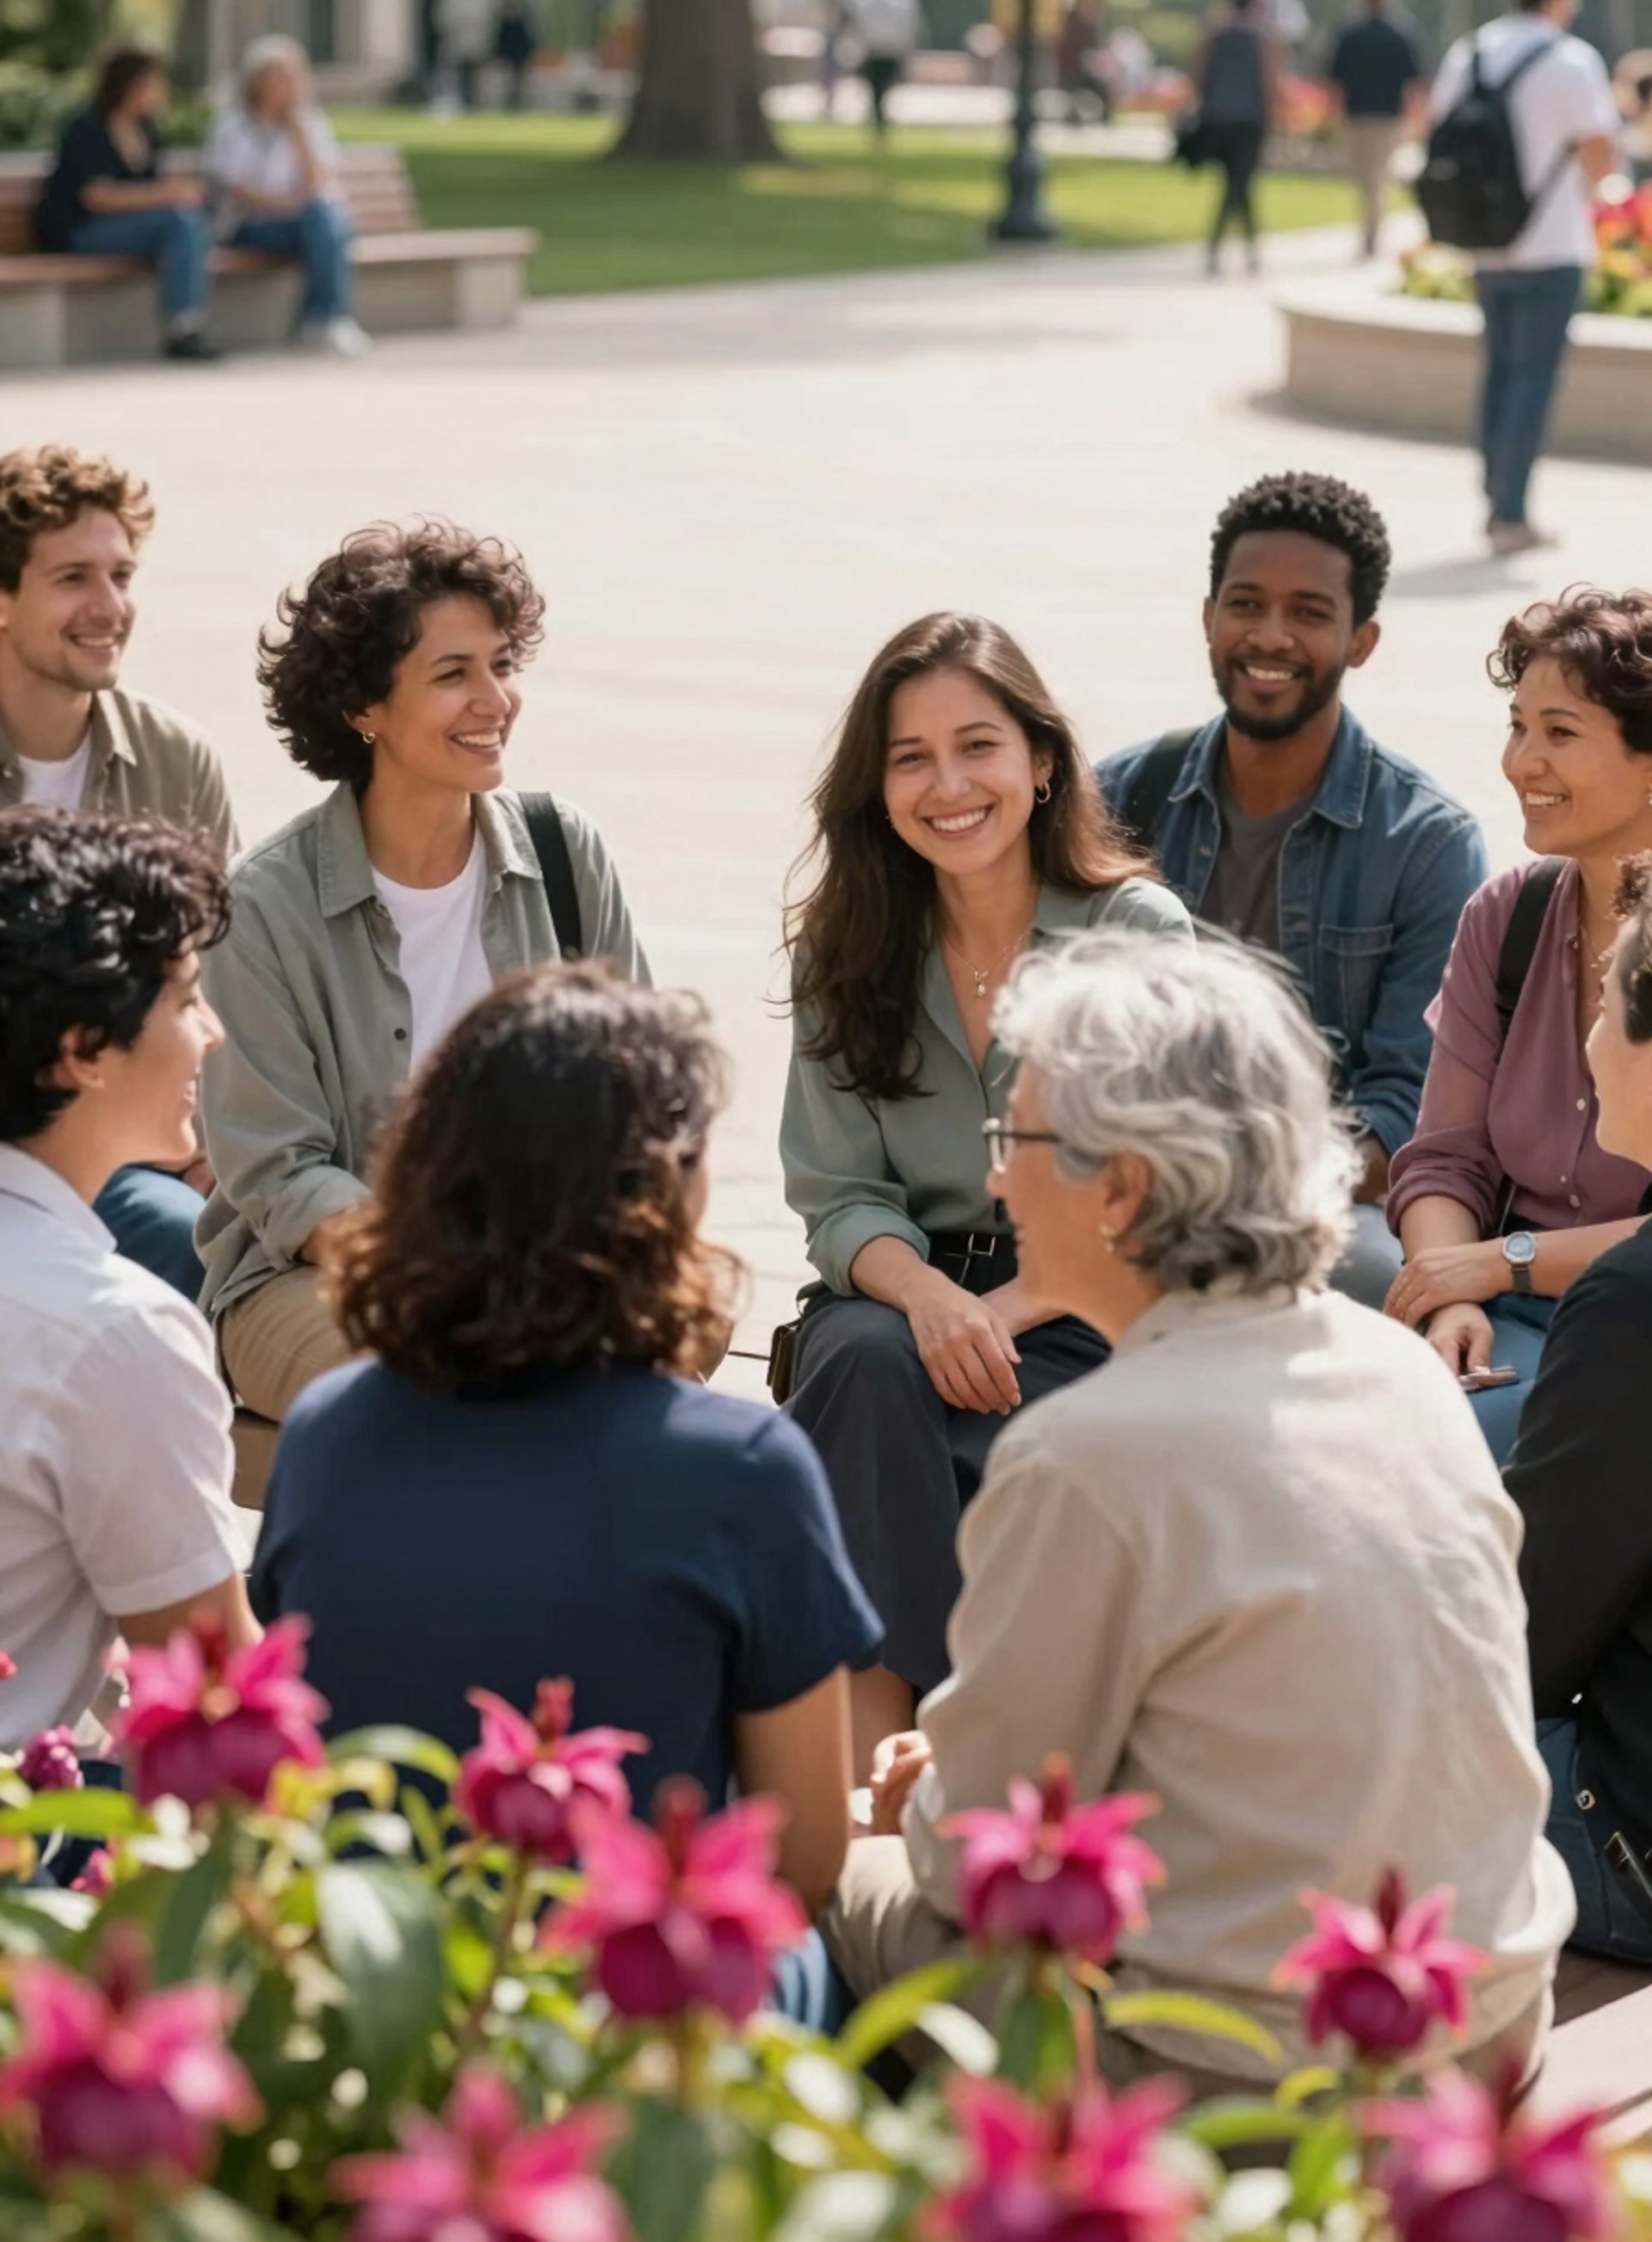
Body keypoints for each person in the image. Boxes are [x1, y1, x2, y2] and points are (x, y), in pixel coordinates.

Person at [824, 930, 1572, 2093]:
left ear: (1122, 1187)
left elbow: (973, 1852)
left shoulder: (1086, 1453)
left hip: (1247, 2076)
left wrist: (915, 1801)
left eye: (1012, 1140)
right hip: (1486, 2024)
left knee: (831, 1869)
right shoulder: (1402, 1368)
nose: (997, 1182)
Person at [252, 964, 881, 1914]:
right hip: (634, 1978)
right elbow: (804, 1860)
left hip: (371, 1962)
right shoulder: (746, 1469)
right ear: (668, 1190)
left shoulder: (326, 1432)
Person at [780, 613, 1191, 1777]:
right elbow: (838, 1194)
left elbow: (1162, 1184)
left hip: (1084, 1300)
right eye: (911, 758)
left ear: (1042, 761)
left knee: (973, 1432)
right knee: (861, 1365)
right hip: (900, 1296)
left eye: (978, 747)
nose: (948, 786)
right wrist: (931, 1302)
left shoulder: (1134, 930)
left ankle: (950, 1758)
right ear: (877, 788)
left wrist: (1004, 1309)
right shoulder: (844, 944)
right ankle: (878, 1765)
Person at [198, 519, 648, 1427]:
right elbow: (282, 1175)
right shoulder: (261, 906)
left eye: (501, 664)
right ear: (363, 707)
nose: (496, 699)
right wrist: (458, 1275)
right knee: (441, 1381)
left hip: (541, 1268)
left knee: (653, 1362)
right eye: (453, 674)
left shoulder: (567, 852)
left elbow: (643, 1099)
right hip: (315, 1282)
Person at [1099, 472, 1489, 1311]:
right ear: (1209, 617)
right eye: (1246, 604)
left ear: (1361, 640)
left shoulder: (1426, 844)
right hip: (1122, 1180)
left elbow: (1406, 1108)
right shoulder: (1118, 799)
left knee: (1373, 1271)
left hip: (1314, 1196)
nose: (1270, 635)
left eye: (1309, 612)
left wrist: (1239, 1187)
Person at [0, 809, 256, 1752]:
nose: (213, 1034)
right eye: (187, 999)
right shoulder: (116, 1329)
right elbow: (222, 1706)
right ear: (82, 1049)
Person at [1385, 590, 1652, 1465]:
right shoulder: (1508, 915)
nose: (1519, 762)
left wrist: (1500, 1261)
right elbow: (1443, 1156)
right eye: (1517, 726)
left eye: (1560, 732)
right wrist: (1451, 1296)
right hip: (1501, 1312)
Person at [0, 444, 237, 1300]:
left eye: (122, 575)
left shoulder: (176, 760)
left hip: (122, 1137)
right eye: (74, 578)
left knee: (212, 1237)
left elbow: (211, 975)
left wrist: (213, 1134)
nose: (110, 607)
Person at [1508, 851, 1652, 1967]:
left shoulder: (1630, 1299)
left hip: (1626, 1843)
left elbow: (1528, 1639)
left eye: (1606, 1001)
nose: (1593, 1035)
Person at [1428, 0, 1618, 555]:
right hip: (1553, 243)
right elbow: (1599, 157)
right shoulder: (1572, 60)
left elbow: (1437, 129)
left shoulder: (1470, 53)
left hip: (1486, 241)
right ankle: (1509, 511)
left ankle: (1496, 491)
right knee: (1533, 379)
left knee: (1499, 370)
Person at [34, 47, 219, 363]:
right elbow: (97, 196)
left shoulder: (147, 131)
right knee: (179, 221)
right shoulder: (88, 127)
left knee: (187, 220)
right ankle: (183, 328)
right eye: (156, 83)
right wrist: (167, 194)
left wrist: (175, 195)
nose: (161, 91)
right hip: (80, 231)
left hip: (127, 231)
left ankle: (187, 325)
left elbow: (148, 193)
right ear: (132, 85)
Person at [204, 36, 368, 359]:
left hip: (301, 223)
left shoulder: (309, 122)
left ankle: (324, 320)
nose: (288, 85)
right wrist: (290, 206)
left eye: (294, 77)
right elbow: (236, 188)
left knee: (327, 224)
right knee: (327, 228)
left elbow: (315, 182)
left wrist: (298, 134)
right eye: (279, 77)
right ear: (257, 82)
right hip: (248, 225)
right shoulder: (234, 125)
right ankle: (325, 319)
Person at [1328, 0, 1426, 260]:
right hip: (1387, 116)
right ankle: (1372, 229)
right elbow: (1414, 81)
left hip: (1358, 116)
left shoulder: (1351, 34)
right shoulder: (1399, 34)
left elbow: (1335, 79)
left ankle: (1370, 232)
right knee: (1377, 177)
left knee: (1366, 177)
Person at [1190, 0, 1280, 277]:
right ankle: (1241, 247)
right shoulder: (1262, 36)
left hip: (1219, 118)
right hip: (1249, 121)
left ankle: (1224, 247)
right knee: (1239, 183)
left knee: (1236, 183)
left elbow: (1197, 76)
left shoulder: (1214, 34)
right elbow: (1270, 81)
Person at [847, 0, 922, 137]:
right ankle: (879, 117)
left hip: (888, 51)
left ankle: (879, 116)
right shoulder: (866, 4)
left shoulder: (900, 5)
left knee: (882, 87)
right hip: (873, 51)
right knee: (876, 88)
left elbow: (907, 26)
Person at [1056, 1, 1113, 123]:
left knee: (1101, 86)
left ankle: (1104, 118)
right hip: (1070, 70)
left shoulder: (1089, 25)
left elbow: (1096, 48)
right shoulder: (1070, 24)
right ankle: (1073, 115)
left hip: (1084, 70)